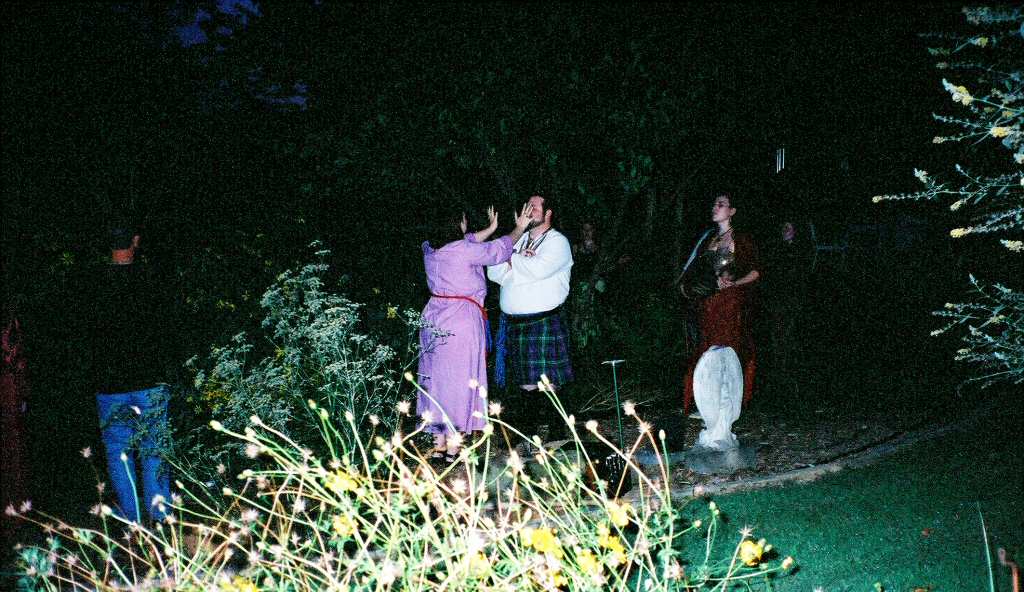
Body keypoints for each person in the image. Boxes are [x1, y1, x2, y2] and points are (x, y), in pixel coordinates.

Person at [417, 203, 533, 459]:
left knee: (437, 381)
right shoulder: (463, 251)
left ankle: (439, 443)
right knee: (457, 381)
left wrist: (490, 228)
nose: (466, 224)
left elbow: (468, 241)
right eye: (463, 220)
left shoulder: (430, 249)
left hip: (433, 318)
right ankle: (454, 447)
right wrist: (519, 228)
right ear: (457, 224)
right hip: (459, 320)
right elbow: (498, 250)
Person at [91, 227, 172, 523]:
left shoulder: (92, 284)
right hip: (150, 382)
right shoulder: (152, 279)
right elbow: (168, 330)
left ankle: (132, 523)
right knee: (154, 451)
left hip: (110, 385)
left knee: (118, 453)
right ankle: (161, 521)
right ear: (136, 241)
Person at [487, 195, 574, 435]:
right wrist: (516, 261)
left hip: (544, 321)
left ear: (548, 213)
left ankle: (557, 433)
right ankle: (529, 433)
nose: (528, 210)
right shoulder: (518, 240)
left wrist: (511, 262)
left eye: (534, 207)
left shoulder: (558, 242)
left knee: (549, 382)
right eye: (527, 206)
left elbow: (537, 269)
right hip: (516, 324)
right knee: (525, 383)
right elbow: (494, 272)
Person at [683, 193, 761, 416]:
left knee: (728, 350)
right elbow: (694, 270)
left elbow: (755, 271)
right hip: (709, 302)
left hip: (731, 303)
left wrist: (735, 282)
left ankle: (729, 403)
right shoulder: (707, 239)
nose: (715, 208)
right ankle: (704, 402)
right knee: (706, 350)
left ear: (732, 211)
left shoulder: (740, 239)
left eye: (721, 204)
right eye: (714, 204)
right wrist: (700, 285)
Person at [766, 220, 811, 377]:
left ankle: (786, 364)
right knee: (777, 329)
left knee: (788, 331)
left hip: (792, 299)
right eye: (784, 227)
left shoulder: (800, 252)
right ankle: (777, 363)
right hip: (778, 298)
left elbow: (801, 276)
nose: (785, 230)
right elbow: (772, 273)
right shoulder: (777, 250)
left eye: (789, 228)